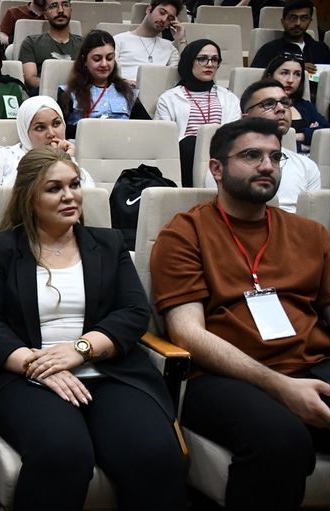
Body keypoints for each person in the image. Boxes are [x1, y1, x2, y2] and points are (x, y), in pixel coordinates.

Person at [0, 145, 189, 511]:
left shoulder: (108, 243)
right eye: (54, 188)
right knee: (63, 454)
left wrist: (81, 349)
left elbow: (134, 311)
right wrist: (37, 365)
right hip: (29, 378)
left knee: (153, 454)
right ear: (29, 198)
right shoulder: (3, 248)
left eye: (74, 184)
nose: (70, 195)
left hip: (110, 372)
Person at [151, 117, 330, 511]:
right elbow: (187, 334)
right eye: (252, 156)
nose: (267, 166)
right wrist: (280, 386)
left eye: (275, 157)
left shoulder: (310, 234)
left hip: (311, 364)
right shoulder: (185, 233)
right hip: (220, 378)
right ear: (216, 168)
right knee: (281, 441)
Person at [204, 78, 320, 213]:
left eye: (285, 102)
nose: (281, 109)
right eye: (269, 104)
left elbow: (312, 215)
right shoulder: (227, 163)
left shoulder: (307, 166)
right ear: (246, 117)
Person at [155, 39, 241, 186]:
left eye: (215, 60)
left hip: (221, 153)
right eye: (202, 59)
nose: (210, 64)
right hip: (184, 157)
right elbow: (164, 139)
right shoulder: (169, 98)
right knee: (190, 143)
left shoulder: (229, 97)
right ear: (189, 61)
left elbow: (235, 133)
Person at [0, 95, 95, 195]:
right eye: (40, 127)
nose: (51, 134)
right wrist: (49, 162)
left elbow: (90, 208)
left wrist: (66, 161)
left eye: (56, 124)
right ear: (25, 132)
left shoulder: (73, 164)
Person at [59, 30, 149, 139]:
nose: (104, 64)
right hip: (83, 146)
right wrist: (94, 129)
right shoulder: (70, 92)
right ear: (84, 60)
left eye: (109, 58)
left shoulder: (127, 92)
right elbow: (59, 130)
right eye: (97, 59)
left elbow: (147, 128)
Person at [263, 53, 329, 153]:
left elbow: (326, 132)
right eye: (284, 73)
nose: (291, 80)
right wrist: (305, 143)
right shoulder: (261, 105)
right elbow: (264, 139)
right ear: (270, 76)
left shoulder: (305, 106)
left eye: (297, 74)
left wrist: (301, 135)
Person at [18, 0, 83, 95]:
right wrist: (58, 89)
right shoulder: (31, 43)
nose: (60, 10)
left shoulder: (83, 44)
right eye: (54, 6)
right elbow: (30, 79)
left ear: (70, 9)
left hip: (78, 96)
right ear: (45, 14)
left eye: (65, 5)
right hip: (44, 96)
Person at [113, 0, 185, 83]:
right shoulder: (119, 40)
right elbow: (110, 72)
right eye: (162, 13)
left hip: (157, 89)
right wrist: (124, 82)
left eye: (170, 18)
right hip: (123, 88)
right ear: (149, 9)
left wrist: (181, 40)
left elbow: (182, 74)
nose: (164, 19)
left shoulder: (169, 47)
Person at [251, 0, 330, 73]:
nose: (298, 23)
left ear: (310, 21)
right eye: (293, 18)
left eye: (304, 18)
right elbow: (255, 78)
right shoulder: (269, 50)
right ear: (283, 21)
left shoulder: (321, 49)